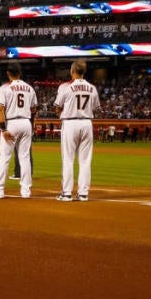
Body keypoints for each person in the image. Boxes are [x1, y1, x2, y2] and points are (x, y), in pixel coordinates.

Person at [0, 62, 37, 199]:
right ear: (20, 73)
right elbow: (34, 110)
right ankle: (26, 191)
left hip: (11, 123)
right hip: (26, 122)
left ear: (8, 73)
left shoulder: (5, 88)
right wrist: (31, 126)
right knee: (25, 157)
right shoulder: (29, 88)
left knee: (4, 158)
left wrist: (3, 129)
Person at [55, 59, 99, 202]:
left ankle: (67, 193)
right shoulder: (92, 88)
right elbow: (95, 108)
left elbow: (57, 107)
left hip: (70, 123)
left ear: (72, 71)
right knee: (85, 161)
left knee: (68, 159)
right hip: (87, 123)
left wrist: (65, 113)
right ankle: (83, 193)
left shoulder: (66, 87)